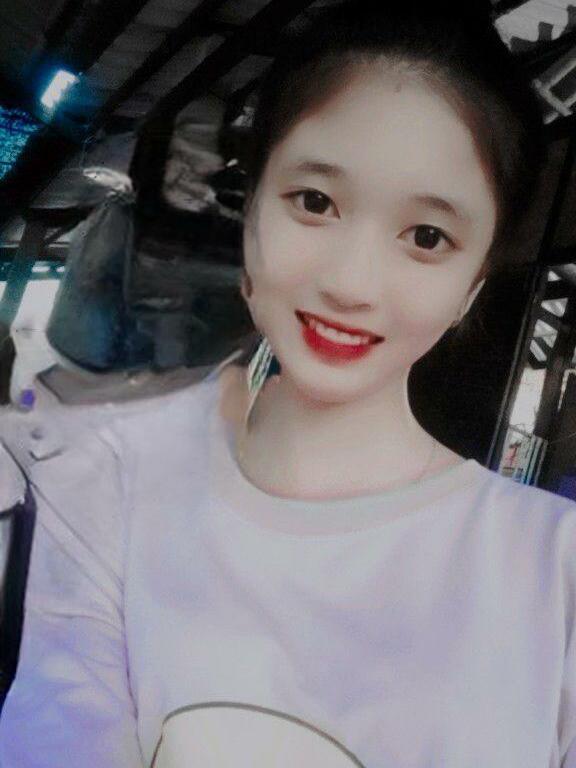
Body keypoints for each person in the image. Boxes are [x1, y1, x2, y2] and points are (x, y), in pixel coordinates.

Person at [1, 2, 575, 766]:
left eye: (427, 236)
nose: (351, 284)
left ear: (473, 285)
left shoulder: (555, 576)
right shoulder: (107, 486)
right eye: (314, 201)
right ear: (251, 213)